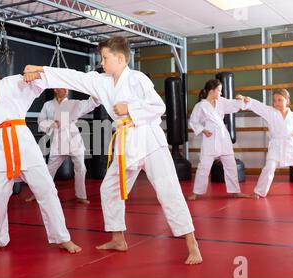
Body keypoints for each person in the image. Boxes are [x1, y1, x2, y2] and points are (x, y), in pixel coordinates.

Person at [23, 36, 202, 265]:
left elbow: (159, 106)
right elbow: (75, 78)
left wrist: (130, 108)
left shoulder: (137, 79)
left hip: (149, 140)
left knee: (169, 191)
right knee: (109, 189)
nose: (102, 62)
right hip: (125, 144)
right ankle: (118, 238)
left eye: (105, 58)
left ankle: (191, 243)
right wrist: (41, 70)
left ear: (120, 58)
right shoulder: (102, 81)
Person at [0, 54, 81, 254]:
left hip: (24, 145)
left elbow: (40, 83)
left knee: (47, 191)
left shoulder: (11, 83)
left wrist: (33, 76)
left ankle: (62, 237)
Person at [25, 88, 98, 204]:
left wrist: (97, 94)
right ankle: (38, 194)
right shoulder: (48, 105)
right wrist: (52, 124)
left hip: (74, 138)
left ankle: (81, 196)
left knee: (81, 168)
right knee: (49, 169)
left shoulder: (74, 103)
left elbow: (89, 104)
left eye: (67, 89)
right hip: (58, 139)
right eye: (62, 88)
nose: (66, 90)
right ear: (55, 89)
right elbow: (41, 120)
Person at [240, 90, 293, 198]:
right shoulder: (271, 112)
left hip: (291, 145)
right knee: (269, 168)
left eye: (280, 100)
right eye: (275, 100)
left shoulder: (292, 115)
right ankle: (259, 192)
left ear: (287, 101)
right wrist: (249, 100)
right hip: (276, 145)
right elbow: (259, 106)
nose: (277, 103)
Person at [188, 79, 250, 201]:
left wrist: (242, 100)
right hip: (209, 137)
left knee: (231, 165)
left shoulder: (221, 102)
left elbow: (233, 104)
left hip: (223, 136)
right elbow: (193, 121)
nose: (221, 93)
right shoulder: (200, 106)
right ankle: (196, 192)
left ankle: (236, 192)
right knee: (204, 166)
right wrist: (203, 130)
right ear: (212, 91)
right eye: (219, 91)